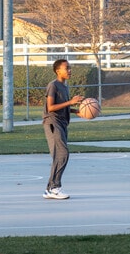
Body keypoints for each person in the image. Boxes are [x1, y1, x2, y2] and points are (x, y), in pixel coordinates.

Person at [42, 59, 83, 200]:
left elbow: (62, 106)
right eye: (67, 68)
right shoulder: (53, 86)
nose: (70, 70)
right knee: (62, 154)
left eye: (70, 67)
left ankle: (50, 189)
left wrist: (75, 110)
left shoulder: (64, 87)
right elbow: (51, 107)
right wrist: (71, 102)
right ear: (58, 70)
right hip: (53, 122)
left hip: (62, 123)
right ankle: (55, 187)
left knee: (58, 157)